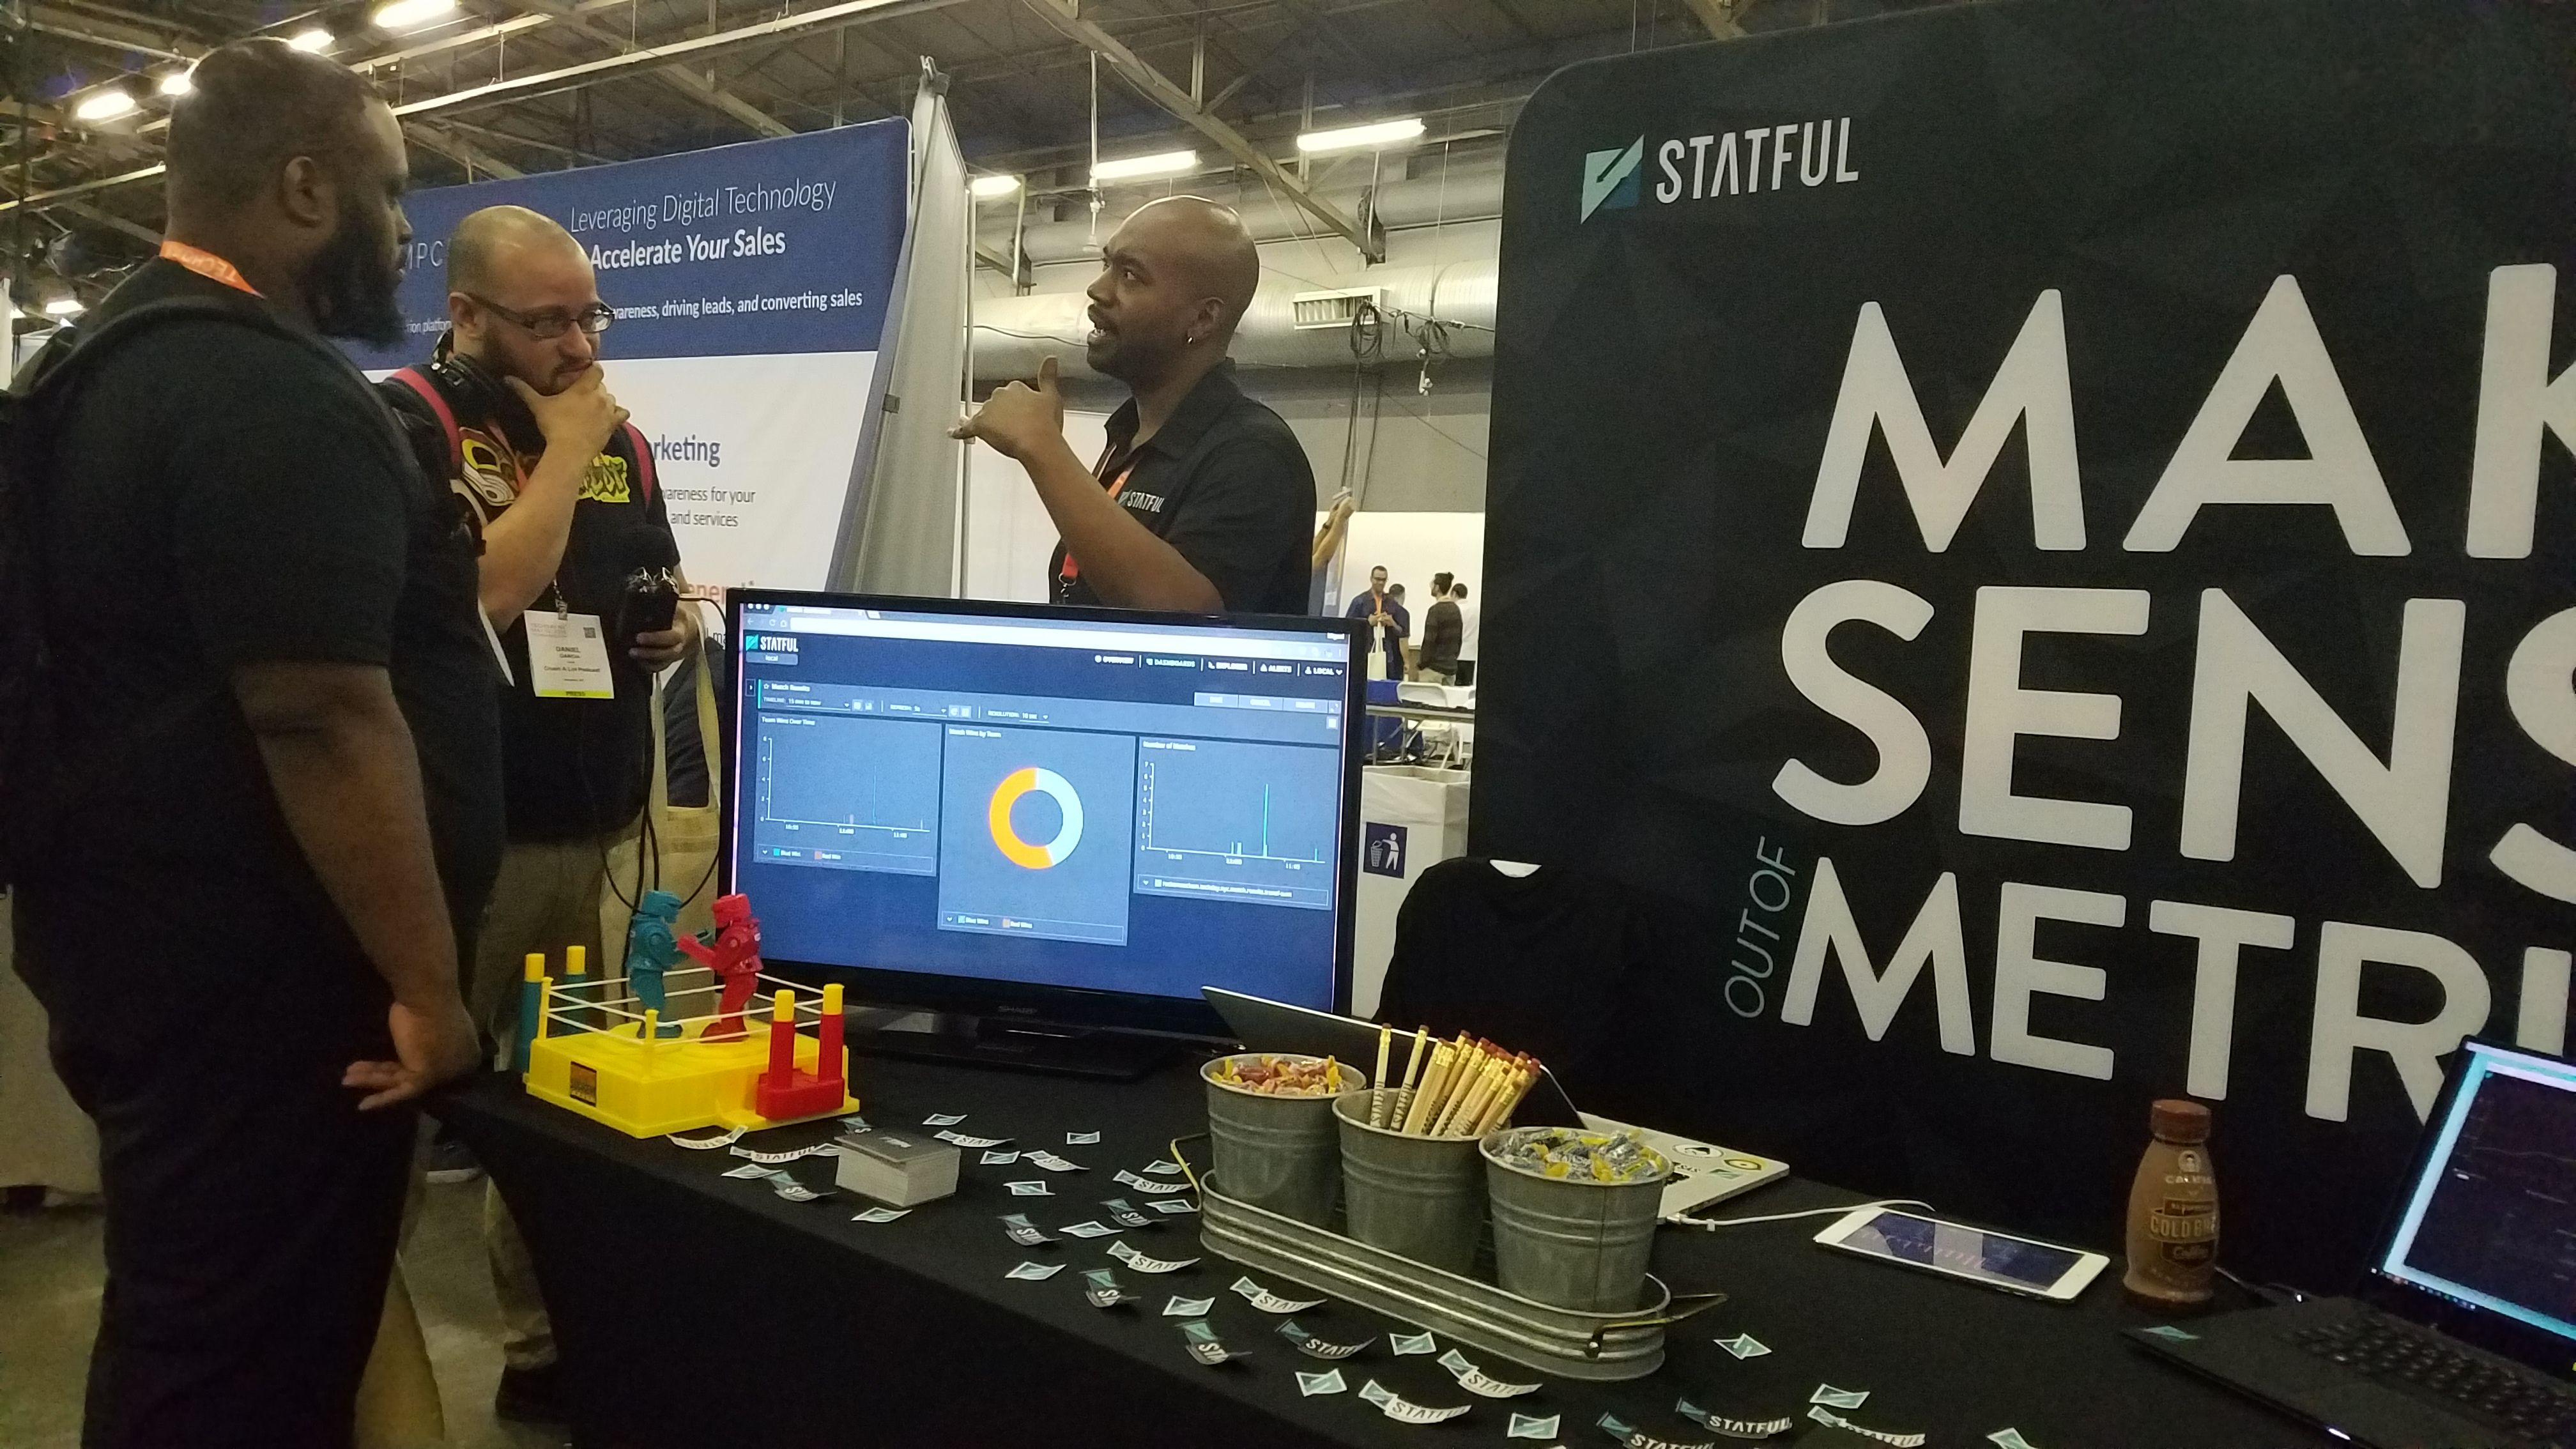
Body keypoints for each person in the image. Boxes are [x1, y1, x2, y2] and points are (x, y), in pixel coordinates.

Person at [9, 38, 500, 1448]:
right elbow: (322, 715)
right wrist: (426, 987)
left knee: (205, 1320)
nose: (403, 235)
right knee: (239, 1366)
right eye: (393, 196)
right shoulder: (262, 393)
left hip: (150, 954)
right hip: (269, 1001)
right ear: (303, 188)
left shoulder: (106, 360)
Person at [378, 203, 696, 1422]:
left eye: (588, 317)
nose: (577, 345)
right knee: (411, 1110)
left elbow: (645, 581)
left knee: (561, 1110)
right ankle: (344, 1339)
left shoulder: (626, 443)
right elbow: (478, 603)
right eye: (545, 320)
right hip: (462, 846)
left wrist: (670, 628)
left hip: (593, 823)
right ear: (466, 316)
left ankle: (544, 1344)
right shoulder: (408, 422)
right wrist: (563, 449)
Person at [953, 196, 1315, 613]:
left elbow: (1183, 619)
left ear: (1202, 320)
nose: (1097, 289)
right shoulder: (1128, 438)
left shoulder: (1254, 454)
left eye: (1130, 275)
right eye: (1106, 266)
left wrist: (1042, 448)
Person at [1346, 564, 1409, 682]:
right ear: (1371, 579)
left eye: (1384, 580)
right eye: (1377, 579)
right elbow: (1348, 626)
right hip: (1364, 655)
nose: (1380, 583)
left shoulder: (1392, 603)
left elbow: (1403, 632)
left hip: (1389, 660)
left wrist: (1392, 623)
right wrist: (1367, 622)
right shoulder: (1360, 602)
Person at [1420, 573, 1464, 686]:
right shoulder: (1456, 609)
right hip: (1451, 668)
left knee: (1428, 701)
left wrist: (1422, 664)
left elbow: (1429, 641)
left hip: (1434, 670)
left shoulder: (1435, 611)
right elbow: (1459, 640)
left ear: (1437, 587)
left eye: (1432, 584)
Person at [1452, 580, 1479, 687]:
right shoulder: (1476, 609)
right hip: (1471, 655)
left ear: (1454, 594)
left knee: (1455, 689)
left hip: (1456, 655)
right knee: (1467, 688)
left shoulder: (1455, 609)